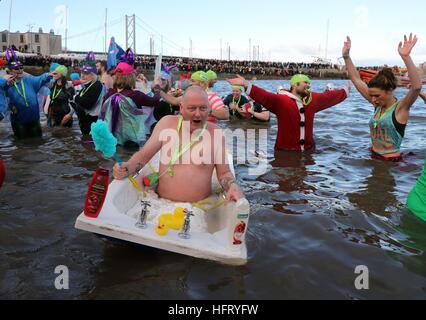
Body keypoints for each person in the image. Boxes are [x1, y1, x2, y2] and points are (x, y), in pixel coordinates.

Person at [113, 86, 244, 203]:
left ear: (209, 109)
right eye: (192, 108)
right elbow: (143, 156)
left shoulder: (215, 133)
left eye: (203, 108)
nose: (198, 114)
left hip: (199, 208)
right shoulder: (166, 124)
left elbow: (224, 173)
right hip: (160, 204)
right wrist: (127, 167)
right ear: (181, 108)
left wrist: (232, 185)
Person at [342, 34, 421, 161]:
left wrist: (406, 57)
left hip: (390, 162)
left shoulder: (400, 108)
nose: (373, 99)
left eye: (377, 96)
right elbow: (356, 79)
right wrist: (346, 56)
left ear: (390, 90)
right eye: (371, 95)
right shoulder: (377, 105)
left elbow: (416, 87)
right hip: (373, 156)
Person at [227, 74, 350, 151]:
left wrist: (345, 90)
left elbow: (329, 97)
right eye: (305, 83)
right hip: (285, 151)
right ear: (295, 85)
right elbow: (265, 96)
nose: (308, 85)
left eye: (309, 83)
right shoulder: (281, 100)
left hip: (308, 150)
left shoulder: (313, 100)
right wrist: (245, 84)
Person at [101, 49, 162, 147]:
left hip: (112, 137)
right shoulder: (135, 95)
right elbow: (155, 101)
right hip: (131, 138)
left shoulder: (109, 93)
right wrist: (158, 88)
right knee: (130, 159)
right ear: (131, 77)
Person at [0, 48, 53, 139]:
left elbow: (40, 79)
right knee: (21, 145)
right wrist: (4, 82)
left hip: (34, 121)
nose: (20, 70)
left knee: (38, 142)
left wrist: (48, 75)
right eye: (16, 68)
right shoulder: (6, 84)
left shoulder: (29, 80)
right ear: (10, 71)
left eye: (21, 67)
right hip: (19, 122)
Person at [74, 52, 106, 140]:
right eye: (82, 72)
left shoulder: (97, 85)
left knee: (92, 152)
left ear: (93, 75)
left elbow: (87, 103)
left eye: (86, 73)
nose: (82, 75)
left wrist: (75, 98)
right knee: (87, 152)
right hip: (86, 127)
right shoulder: (86, 87)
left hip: (93, 127)